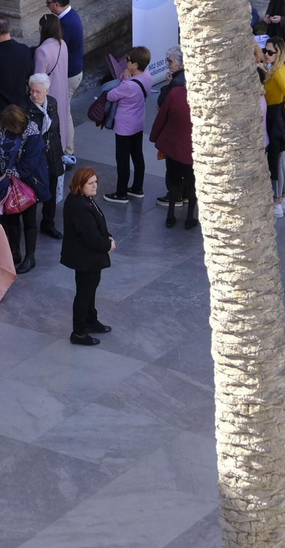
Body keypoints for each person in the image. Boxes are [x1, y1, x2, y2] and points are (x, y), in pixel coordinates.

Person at [61, 167, 115, 345]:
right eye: (90, 183)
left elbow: (97, 225)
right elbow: (90, 236)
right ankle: (79, 333)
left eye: (95, 182)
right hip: (85, 258)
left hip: (88, 257)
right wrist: (108, 244)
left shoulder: (84, 199)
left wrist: (107, 236)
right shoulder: (79, 206)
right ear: (80, 184)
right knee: (84, 293)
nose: (95, 186)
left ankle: (91, 321)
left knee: (90, 290)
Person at [0, 104, 49, 273]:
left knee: (29, 218)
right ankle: (14, 251)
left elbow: (29, 164)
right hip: (8, 180)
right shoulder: (3, 126)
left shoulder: (33, 135)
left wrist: (7, 174)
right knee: (10, 216)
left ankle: (30, 257)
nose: (6, 129)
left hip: (29, 182)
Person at [103, 47, 154, 205]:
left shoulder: (128, 85)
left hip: (124, 126)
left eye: (128, 60)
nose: (125, 62)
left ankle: (121, 193)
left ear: (135, 64)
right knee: (137, 156)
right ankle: (137, 188)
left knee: (122, 160)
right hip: (138, 123)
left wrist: (125, 79)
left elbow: (111, 95)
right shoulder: (147, 76)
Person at [25, 74, 67, 240]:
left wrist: (60, 153)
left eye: (38, 92)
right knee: (33, 191)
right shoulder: (25, 107)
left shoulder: (52, 103)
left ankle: (48, 223)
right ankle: (30, 226)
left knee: (51, 191)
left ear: (47, 91)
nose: (34, 95)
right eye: (32, 91)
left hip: (52, 154)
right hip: (35, 157)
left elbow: (56, 130)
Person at [261, 36, 285, 218]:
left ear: (279, 54)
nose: (266, 54)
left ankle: (277, 201)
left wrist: (283, 113)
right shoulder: (282, 68)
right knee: (281, 161)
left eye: (270, 52)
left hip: (276, 119)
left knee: (275, 161)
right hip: (278, 119)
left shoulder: (276, 73)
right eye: (265, 51)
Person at [152, 47, 193, 211]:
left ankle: (174, 195)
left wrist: (168, 85)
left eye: (170, 61)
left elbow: (162, 102)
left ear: (181, 64)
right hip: (187, 132)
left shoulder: (175, 83)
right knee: (185, 167)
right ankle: (185, 193)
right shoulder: (185, 79)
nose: (168, 64)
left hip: (175, 132)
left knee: (173, 167)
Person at [34, 12, 73, 156]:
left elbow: (38, 80)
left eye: (40, 26)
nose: (39, 28)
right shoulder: (63, 44)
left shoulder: (41, 51)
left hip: (48, 95)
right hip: (62, 91)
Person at [47, 0, 86, 99]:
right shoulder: (70, 15)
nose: (47, 6)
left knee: (61, 107)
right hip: (72, 71)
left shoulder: (66, 24)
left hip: (68, 75)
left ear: (56, 5)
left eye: (48, 3)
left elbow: (55, 49)